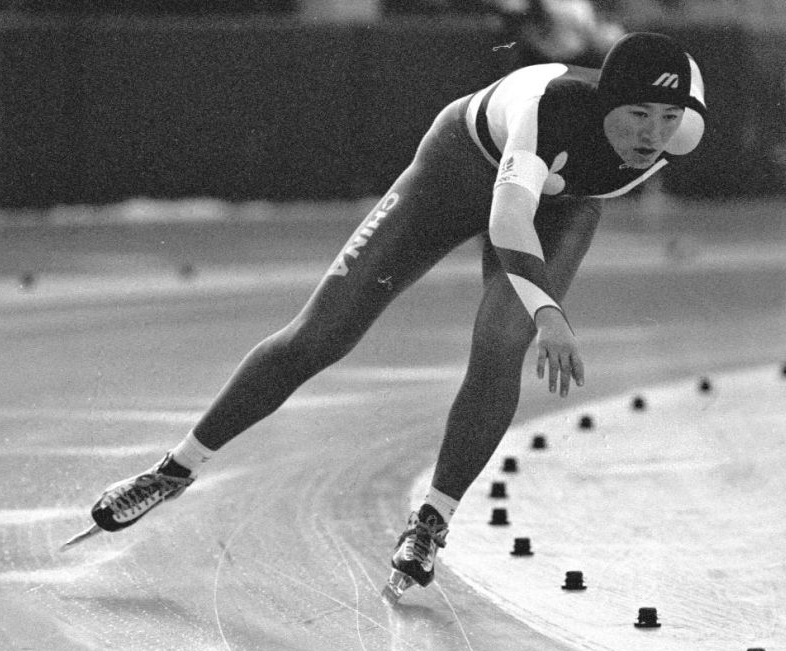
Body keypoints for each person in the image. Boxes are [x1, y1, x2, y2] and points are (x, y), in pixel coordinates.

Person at [84, 32, 707, 598]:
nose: (652, 135)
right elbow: (507, 218)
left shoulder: (686, 129)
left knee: (500, 345)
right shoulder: (552, 109)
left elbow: (544, 206)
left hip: (564, 204)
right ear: (605, 102)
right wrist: (550, 311)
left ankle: (431, 523)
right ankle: (173, 471)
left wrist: (536, 312)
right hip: (459, 168)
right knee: (322, 335)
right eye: (638, 114)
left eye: (667, 117)